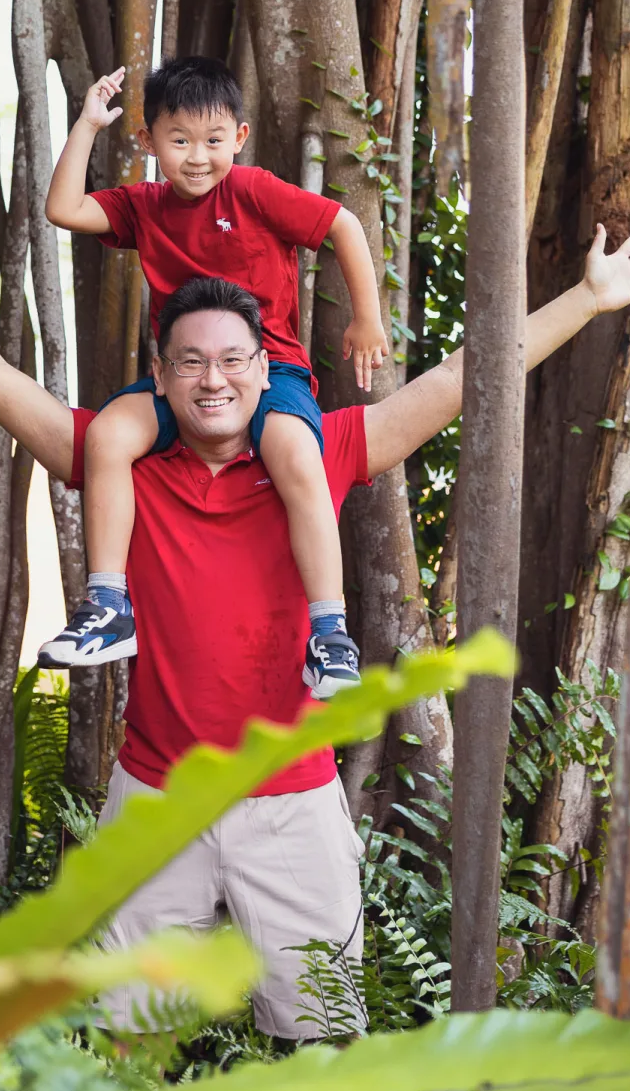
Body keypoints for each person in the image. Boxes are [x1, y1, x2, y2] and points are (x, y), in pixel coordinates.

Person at [0, 223, 630, 1035]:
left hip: (293, 805)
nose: (212, 379)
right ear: (159, 375)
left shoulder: (317, 454)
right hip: (157, 796)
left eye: (231, 360)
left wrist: (585, 298)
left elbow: (461, 378)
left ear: (265, 370)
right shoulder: (120, 463)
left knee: (322, 1039)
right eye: (189, 361)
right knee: (128, 1041)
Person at [37, 57, 390, 698]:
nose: (197, 158)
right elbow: (62, 209)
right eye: (178, 141)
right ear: (148, 143)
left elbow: (342, 222)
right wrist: (88, 124)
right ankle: (110, 604)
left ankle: (330, 632)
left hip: (270, 368)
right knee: (109, 437)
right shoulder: (143, 207)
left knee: (296, 455)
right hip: (185, 376)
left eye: (213, 141)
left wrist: (367, 317)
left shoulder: (251, 190)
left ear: (240, 137)